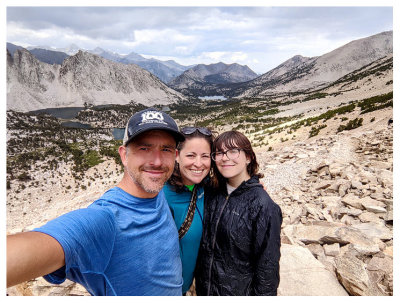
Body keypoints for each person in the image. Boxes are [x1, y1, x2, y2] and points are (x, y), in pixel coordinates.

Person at [7, 108, 185, 296]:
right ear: (124, 155)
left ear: (175, 156)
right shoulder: (104, 220)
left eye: (166, 149)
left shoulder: (157, 190)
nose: (157, 161)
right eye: (144, 148)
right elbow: (32, 249)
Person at [195, 130, 282, 296]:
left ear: (248, 157)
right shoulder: (210, 192)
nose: (225, 158)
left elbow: (267, 268)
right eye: (219, 153)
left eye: (233, 151)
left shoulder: (263, 206)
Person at [162, 127, 214, 295]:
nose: (198, 164)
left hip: (189, 285)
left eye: (205, 156)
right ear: (177, 156)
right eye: (191, 155)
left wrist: (252, 188)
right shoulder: (160, 195)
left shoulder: (206, 186)